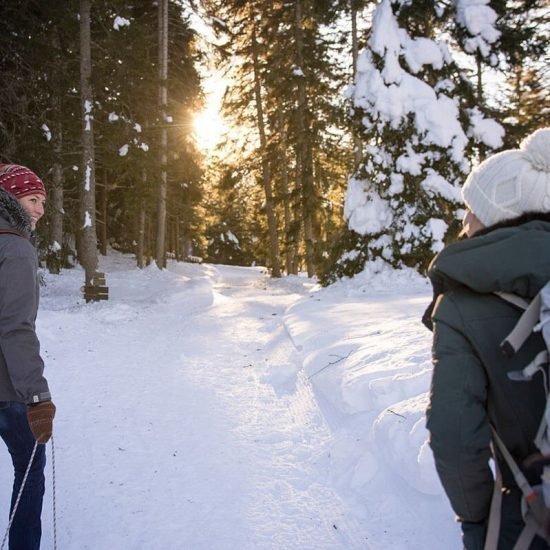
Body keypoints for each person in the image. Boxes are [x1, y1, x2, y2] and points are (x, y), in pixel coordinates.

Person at [424, 127, 550, 549]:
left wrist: (479, 520)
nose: (465, 221)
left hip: (532, 511)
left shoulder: (462, 306)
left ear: (499, 217)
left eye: (472, 210)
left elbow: (455, 438)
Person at [0, 164, 56, 550]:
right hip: (7, 389)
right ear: (11, 197)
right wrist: (37, 395)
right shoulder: (15, 246)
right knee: (30, 465)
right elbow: (16, 327)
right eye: (33, 199)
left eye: (42, 202)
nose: (39, 209)